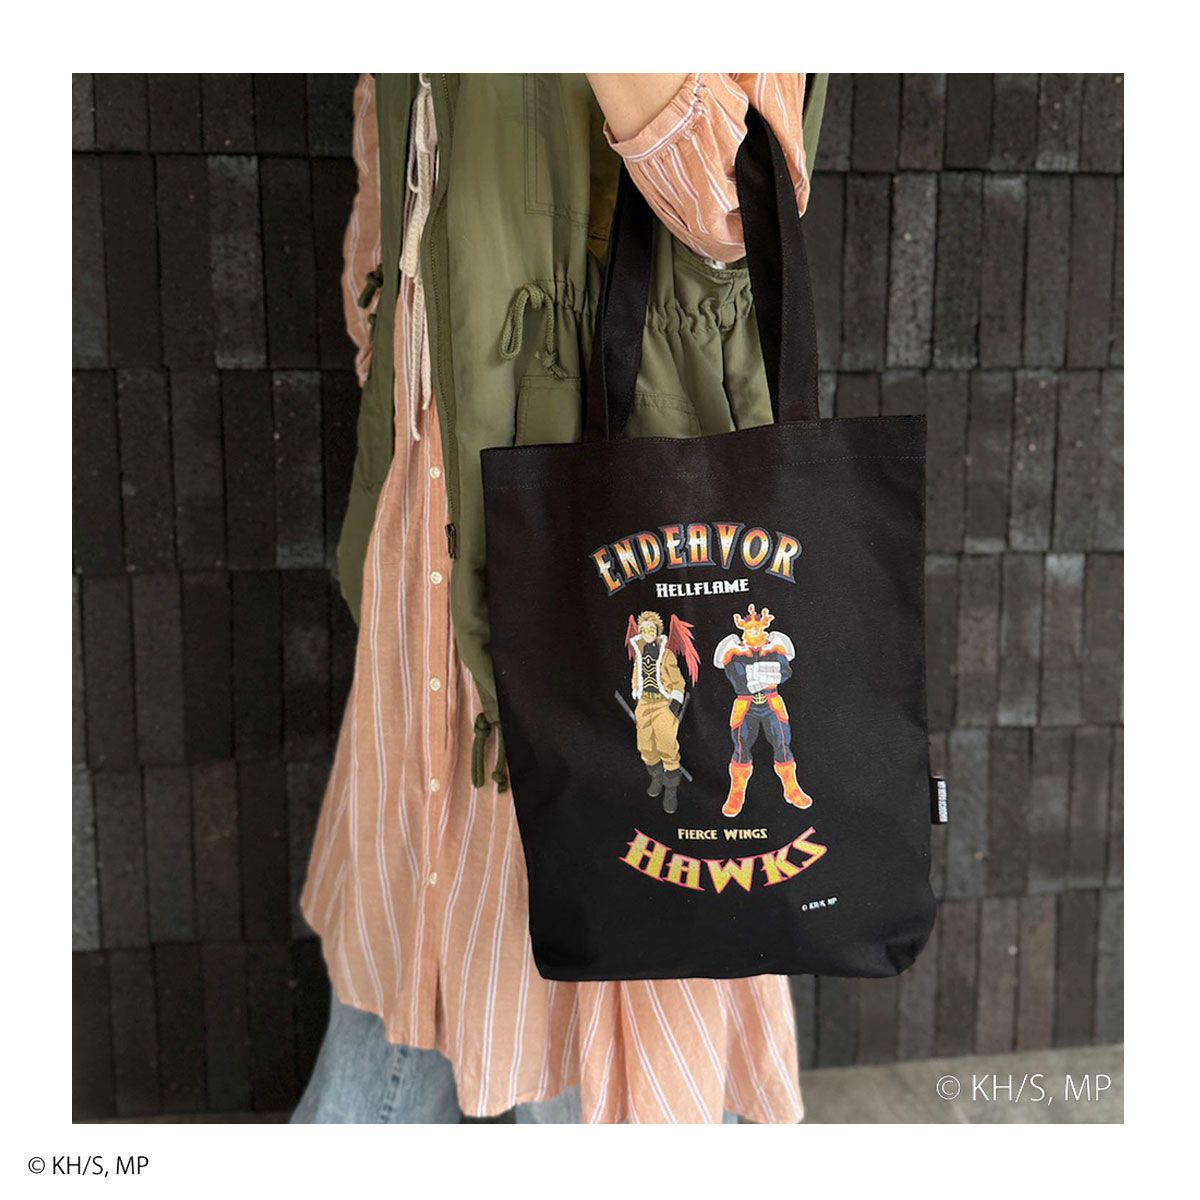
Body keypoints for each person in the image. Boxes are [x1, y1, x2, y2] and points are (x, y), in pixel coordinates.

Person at [291, 72, 823, 1124]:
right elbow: (392, 163)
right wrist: (388, 330)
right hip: (430, 498)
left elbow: (730, 198)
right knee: (417, 919)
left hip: (597, 511)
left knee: (591, 988)